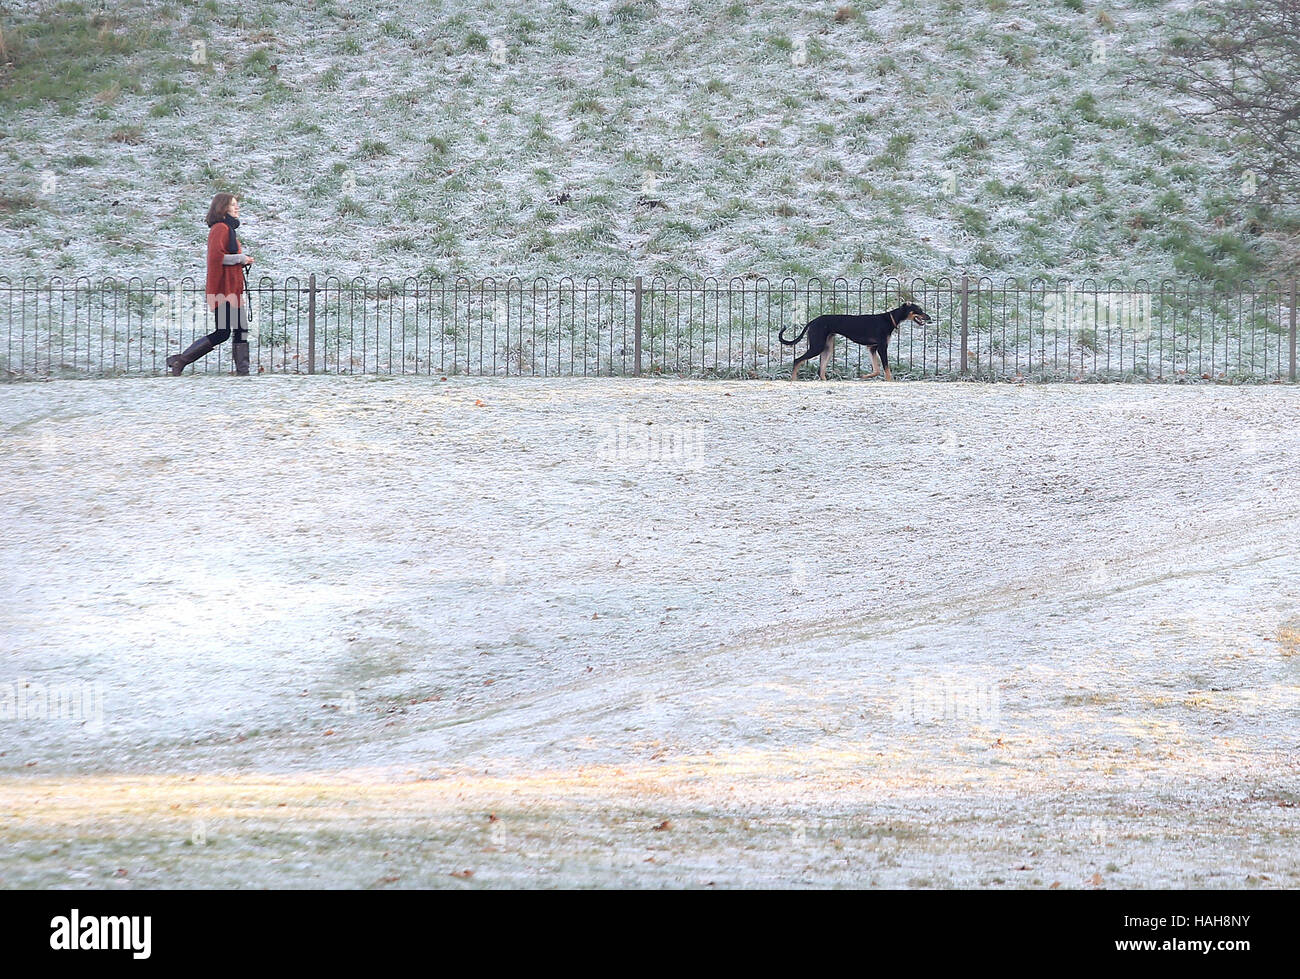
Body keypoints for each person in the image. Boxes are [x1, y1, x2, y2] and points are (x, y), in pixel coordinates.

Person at [167, 192, 254, 375]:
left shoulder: (228, 229)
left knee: (241, 329)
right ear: (222, 208)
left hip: (232, 290)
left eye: (236, 204)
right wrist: (241, 258)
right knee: (223, 332)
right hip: (223, 291)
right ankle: (181, 360)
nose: (236, 208)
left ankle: (243, 372)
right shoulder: (220, 229)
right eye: (232, 205)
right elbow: (217, 258)